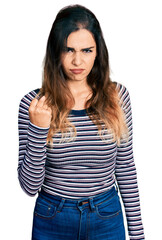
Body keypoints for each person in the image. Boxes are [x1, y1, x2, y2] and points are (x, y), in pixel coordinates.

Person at [18, 4, 145, 240]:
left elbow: (125, 169)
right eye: (69, 50)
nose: (78, 61)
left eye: (87, 50)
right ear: (56, 52)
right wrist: (38, 129)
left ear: (98, 52)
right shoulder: (33, 104)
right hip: (52, 218)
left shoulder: (118, 97)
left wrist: (137, 234)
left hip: (106, 216)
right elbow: (29, 187)